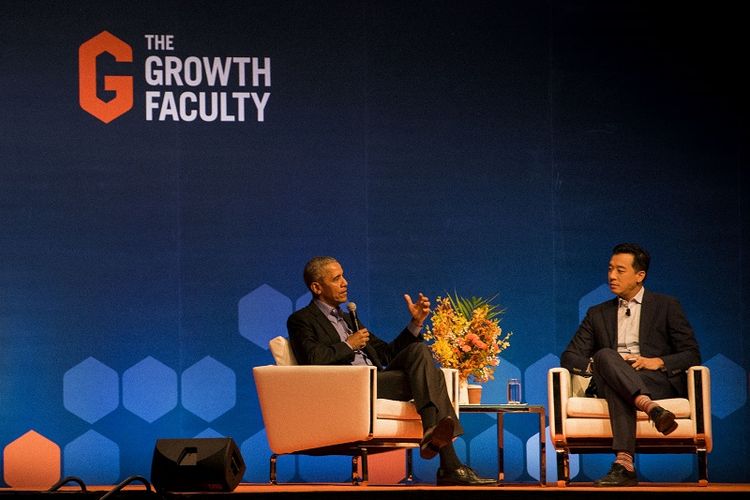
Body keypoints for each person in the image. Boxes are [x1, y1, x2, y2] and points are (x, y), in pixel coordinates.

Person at [287, 256, 496, 486]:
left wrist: (415, 324)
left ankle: (435, 440)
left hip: (378, 380)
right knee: (433, 377)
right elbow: (313, 359)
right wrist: (349, 345)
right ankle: (449, 465)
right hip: (352, 387)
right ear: (317, 287)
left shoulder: (350, 319)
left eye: (344, 276)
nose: (345, 282)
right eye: (337, 279)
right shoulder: (301, 320)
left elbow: (386, 354)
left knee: (418, 350)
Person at [561, 243, 701, 486]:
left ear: (640, 276)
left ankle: (624, 464)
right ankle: (651, 409)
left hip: (653, 379)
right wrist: (602, 367)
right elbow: (570, 356)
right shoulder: (597, 314)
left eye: (620, 270)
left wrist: (656, 361)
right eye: (610, 268)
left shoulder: (666, 306)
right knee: (605, 355)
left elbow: (691, 354)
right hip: (611, 379)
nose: (612, 276)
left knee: (617, 384)